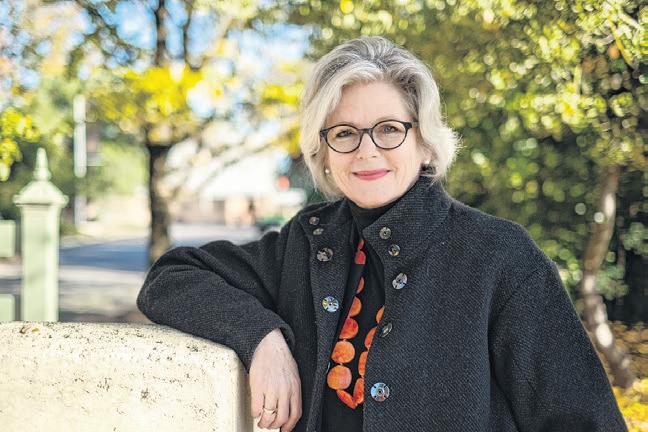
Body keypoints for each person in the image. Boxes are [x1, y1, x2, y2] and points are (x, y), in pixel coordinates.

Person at [136, 36, 627, 432]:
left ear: (425, 141)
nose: (366, 150)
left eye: (389, 129)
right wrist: (262, 337)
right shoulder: (308, 240)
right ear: (323, 152)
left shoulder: (499, 255)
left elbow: (583, 420)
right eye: (344, 133)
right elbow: (172, 277)